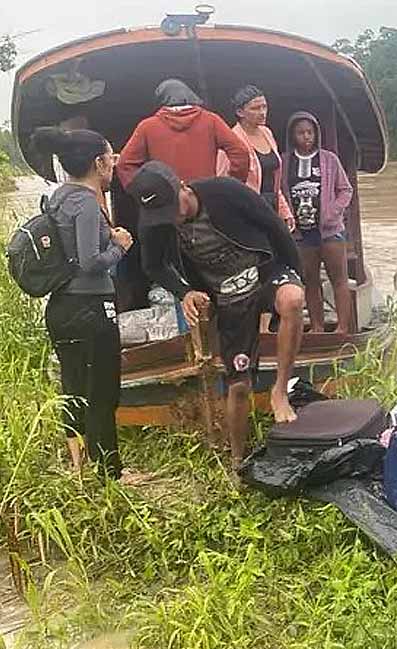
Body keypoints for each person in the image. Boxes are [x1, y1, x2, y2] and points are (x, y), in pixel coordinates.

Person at [128, 161, 305, 468]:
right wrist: (185, 292)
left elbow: (277, 229)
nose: (172, 218)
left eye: (173, 207)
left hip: (264, 273)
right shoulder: (155, 224)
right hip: (228, 299)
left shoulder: (225, 192)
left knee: (293, 299)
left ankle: (279, 390)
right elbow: (153, 266)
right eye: (163, 215)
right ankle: (237, 460)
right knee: (238, 386)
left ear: (182, 185)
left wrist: (295, 274)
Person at [33, 127, 133, 479]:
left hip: (62, 308)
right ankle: (111, 474)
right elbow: (89, 262)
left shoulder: (57, 197)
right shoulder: (87, 203)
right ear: (97, 163)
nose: (113, 163)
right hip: (91, 306)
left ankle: (77, 469)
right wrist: (119, 245)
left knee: (74, 387)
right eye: (110, 157)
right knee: (103, 390)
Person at [284, 111, 355, 333]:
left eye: (310, 132)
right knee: (311, 281)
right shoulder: (284, 161)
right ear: (292, 136)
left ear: (316, 134)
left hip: (330, 232)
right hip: (301, 234)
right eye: (300, 133)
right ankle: (317, 328)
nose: (306, 137)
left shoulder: (329, 159)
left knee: (339, 280)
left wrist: (332, 212)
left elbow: (345, 189)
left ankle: (342, 329)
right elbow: (279, 191)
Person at [117, 79, 249, 188]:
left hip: (167, 203)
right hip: (206, 197)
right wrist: (233, 184)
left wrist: (145, 192)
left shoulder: (147, 126)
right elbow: (240, 151)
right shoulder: (211, 120)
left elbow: (124, 164)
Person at [218, 85, 294, 229]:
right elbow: (223, 182)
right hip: (247, 208)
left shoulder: (267, 133)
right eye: (255, 108)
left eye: (264, 107)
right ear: (240, 112)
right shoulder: (231, 140)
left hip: (271, 205)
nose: (262, 112)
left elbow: (274, 180)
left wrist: (284, 211)